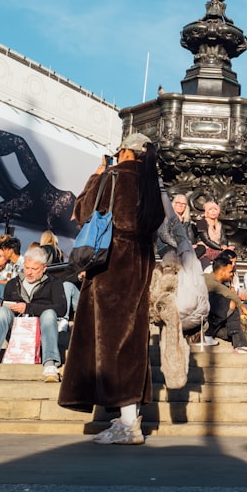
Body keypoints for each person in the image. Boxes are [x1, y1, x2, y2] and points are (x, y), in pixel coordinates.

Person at [58, 133, 165, 446]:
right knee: (130, 339)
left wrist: (95, 175)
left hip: (111, 263)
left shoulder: (112, 176)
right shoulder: (151, 185)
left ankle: (129, 424)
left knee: (108, 340)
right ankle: (125, 417)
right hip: (140, 263)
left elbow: (82, 211)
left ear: (126, 152)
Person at [0, 114, 78, 237]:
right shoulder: (70, 199)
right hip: (40, 184)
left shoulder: (77, 227)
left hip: (32, 201)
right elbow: (52, 218)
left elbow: (51, 220)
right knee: (19, 142)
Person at [0, 247, 67, 383]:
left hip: (42, 330)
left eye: (34, 269)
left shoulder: (54, 283)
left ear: (44, 268)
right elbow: (9, 306)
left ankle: (50, 364)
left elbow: (61, 308)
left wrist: (28, 308)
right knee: (2, 312)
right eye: (27, 267)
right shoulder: (13, 283)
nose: (29, 272)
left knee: (49, 314)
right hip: (17, 330)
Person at [204, 253, 247, 353]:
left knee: (232, 327)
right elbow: (230, 295)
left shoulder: (216, 282)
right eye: (230, 272)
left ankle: (240, 344)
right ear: (222, 272)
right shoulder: (209, 280)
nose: (232, 274)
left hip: (215, 325)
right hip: (204, 324)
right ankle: (239, 345)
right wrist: (242, 307)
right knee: (231, 304)